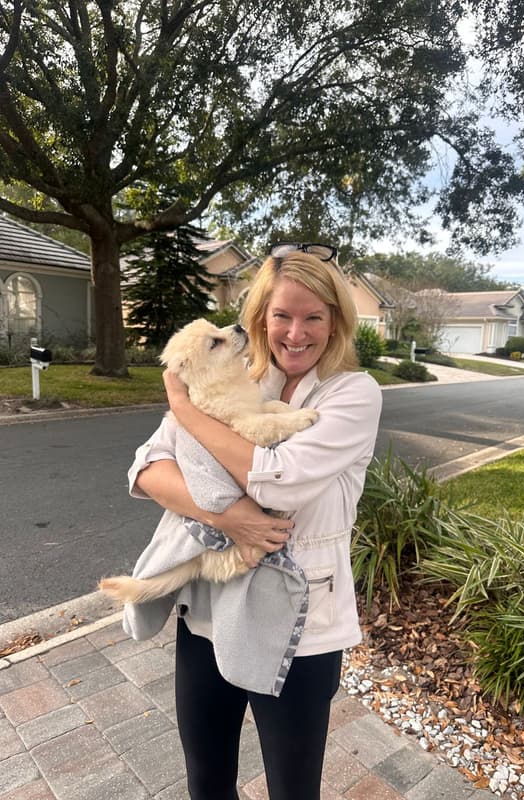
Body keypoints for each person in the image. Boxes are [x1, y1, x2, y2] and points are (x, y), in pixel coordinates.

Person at [128, 242, 383, 800]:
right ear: (261, 318)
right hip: (210, 611)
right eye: (282, 315)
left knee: (293, 790)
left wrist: (186, 412)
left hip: (297, 625)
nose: (296, 333)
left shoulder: (353, 396)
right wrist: (235, 518)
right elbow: (147, 469)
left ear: (335, 321)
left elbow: (279, 476)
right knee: (208, 780)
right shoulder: (239, 378)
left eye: (314, 316)